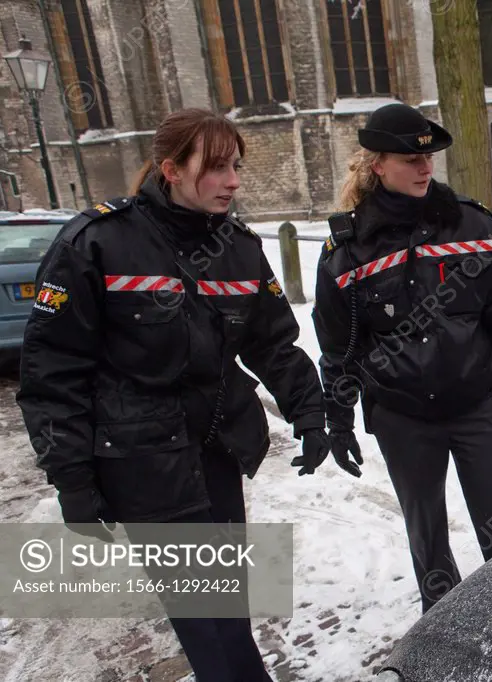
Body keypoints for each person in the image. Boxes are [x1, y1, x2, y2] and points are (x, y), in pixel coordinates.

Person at [16, 108, 331, 681]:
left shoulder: (237, 246)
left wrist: (310, 414)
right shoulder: (100, 243)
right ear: (170, 170)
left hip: (217, 447)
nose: (233, 180)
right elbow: (53, 371)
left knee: (224, 594)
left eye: (235, 165)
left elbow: (274, 343)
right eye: (215, 168)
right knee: (202, 613)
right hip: (141, 457)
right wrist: (73, 479)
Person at [313, 102, 492, 613]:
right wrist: (337, 417)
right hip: (403, 418)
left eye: (429, 158)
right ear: (377, 164)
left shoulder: (475, 226)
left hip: (479, 407)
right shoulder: (348, 249)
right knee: (429, 544)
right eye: (409, 159)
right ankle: (442, 638)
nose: (424, 168)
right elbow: (338, 346)